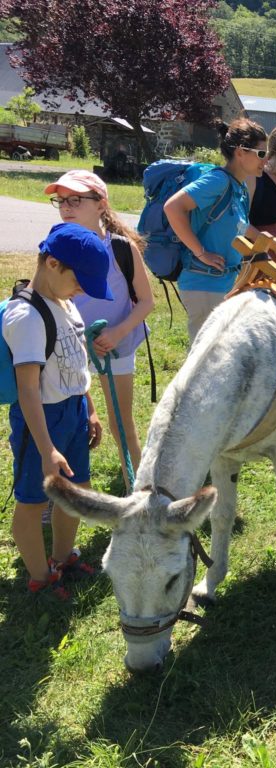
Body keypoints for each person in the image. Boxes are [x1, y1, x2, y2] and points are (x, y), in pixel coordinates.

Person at [3, 223, 111, 599]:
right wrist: (47, 447)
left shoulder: (65, 303)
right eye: (79, 281)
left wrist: (90, 409)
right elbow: (28, 389)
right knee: (33, 502)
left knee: (74, 491)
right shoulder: (26, 317)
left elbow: (77, 364)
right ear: (52, 264)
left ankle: (63, 558)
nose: (82, 290)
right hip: (41, 420)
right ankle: (40, 577)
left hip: (74, 411)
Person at [45, 170, 154, 488]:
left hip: (115, 347)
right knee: (70, 423)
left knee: (122, 427)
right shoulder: (55, 247)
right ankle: (65, 495)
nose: (66, 207)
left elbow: (146, 301)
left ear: (101, 204)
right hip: (68, 349)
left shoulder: (120, 248)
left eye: (76, 200)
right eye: (61, 200)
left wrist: (117, 333)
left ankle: (139, 494)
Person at [164, 117, 268, 342]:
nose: (266, 160)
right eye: (261, 153)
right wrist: (201, 252)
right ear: (240, 152)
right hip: (204, 284)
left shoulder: (239, 187)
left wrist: (266, 241)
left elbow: (238, 224)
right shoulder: (218, 181)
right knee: (208, 356)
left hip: (225, 283)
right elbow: (173, 207)